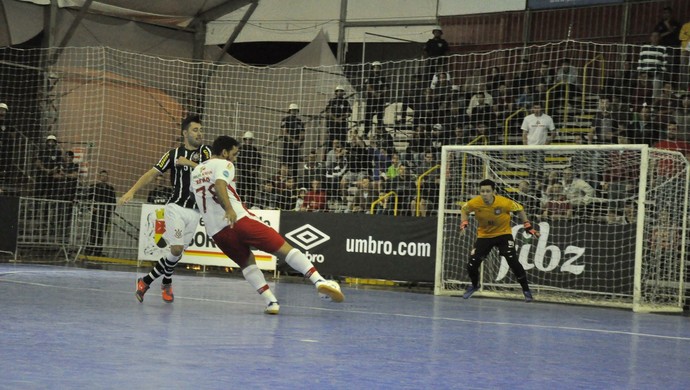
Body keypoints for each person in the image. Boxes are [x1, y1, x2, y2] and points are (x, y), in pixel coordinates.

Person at [190, 135, 344, 314]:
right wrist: (229, 209)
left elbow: (197, 197)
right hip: (239, 220)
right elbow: (219, 184)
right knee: (284, 249)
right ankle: (319, 281)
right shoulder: (225, 164)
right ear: (224, 152)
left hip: (216, 232)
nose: (235, 157)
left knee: (247, 263)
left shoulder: (196, 171)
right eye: (234, 153)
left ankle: (271, 302)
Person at [119, 114, 211, 303]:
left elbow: (210, 174)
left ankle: (152, 281)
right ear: (185, 133)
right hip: (175, 207)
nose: (199, 133)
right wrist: (132, 191)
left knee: (174, 255)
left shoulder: (206, 153)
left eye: (201, 130)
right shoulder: (172, 155)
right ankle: (157, 282)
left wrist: (190, 163)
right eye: (195, 130)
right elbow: (152, 173)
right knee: (176, 249)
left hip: (195, 212)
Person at [459, 179, 538, 302]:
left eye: (487, 191)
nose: (485, 194)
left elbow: (520, 209)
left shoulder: (504, 202)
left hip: (503, 235)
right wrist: (464, 223)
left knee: (513, 261)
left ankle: (526, 290)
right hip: (484, 236)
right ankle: (474, 285)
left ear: (493, 192)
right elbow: (464, 209)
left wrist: (527, 225)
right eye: (482, 191)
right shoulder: (475, 203)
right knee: (472, 264)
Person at [521, 102, 556, 186]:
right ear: (532, 108)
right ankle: (532, 184)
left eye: (538, 108)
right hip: (530, 147)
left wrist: (547, 143)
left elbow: (553, 133)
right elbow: (524, 133)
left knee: (540, 167)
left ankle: (539, 185)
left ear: (542, 108)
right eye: (535, 108)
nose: (536, 110)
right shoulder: (527, 118)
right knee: (531, 168)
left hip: (541, 147)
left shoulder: (548, 118)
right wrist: (525, 145)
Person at [86, 170, 116, 256]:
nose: (104, 177)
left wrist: (110, 212)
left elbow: (113, 202)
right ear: (99, 177)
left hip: (105, 214)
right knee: (93, 231)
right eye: (102, 175)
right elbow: (88, 199)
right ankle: (89, 249)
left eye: (105, 176)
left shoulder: (110, 189)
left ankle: (98, 251)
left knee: (101, 232)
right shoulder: (93, 187)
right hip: (96, 213)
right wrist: (91, 207)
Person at [235, 131, 262, 208]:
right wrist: (247, 170)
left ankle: (251, 206)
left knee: (252, 191)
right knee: (241, 190)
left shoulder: (255, 151)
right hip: (243, 175)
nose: (248, 141)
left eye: (250, 139)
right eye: (247, 139)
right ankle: (240, 206)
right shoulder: (240, 151)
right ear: (244, 140)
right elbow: (239, 163)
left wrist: (255, 169)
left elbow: (258, 161)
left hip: (252, 176)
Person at [34, 134, 64, 199]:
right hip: (41, 176)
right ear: (47, 142)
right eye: (49, 141)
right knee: (38, 194)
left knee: (50, 195)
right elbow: (37, 162)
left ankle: (47, 209)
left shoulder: (58, 153)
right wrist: (45, 170)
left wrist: (53, 170)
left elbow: (59, 164)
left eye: (53, 141)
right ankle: (36, 208)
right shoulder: (42, 151)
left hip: (52, 178)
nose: (51, 143)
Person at [363, 61, 387, 137]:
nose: (376, 69)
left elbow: (386, 87)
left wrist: (381, 93)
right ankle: (366, 132)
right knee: (368, 116)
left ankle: (380, 132)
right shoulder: (370, 76)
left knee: (380, 116)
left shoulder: (382, 77)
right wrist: (375, 94)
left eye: (378, 67)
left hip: (380, 100)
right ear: (372, 68)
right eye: (375, 67)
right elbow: (368, 87)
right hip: (371, 100)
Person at [280, 103, 305, 178]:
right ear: (289, 111)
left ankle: (294, 180)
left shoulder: (299, 121)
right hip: (288, 145)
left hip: (296, 146)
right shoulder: (285, 120)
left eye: (295, 110)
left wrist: (299, 141)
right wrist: (293, 140)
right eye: (292, 110)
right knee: (285, 163)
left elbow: (302, 133)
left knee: (294, 164)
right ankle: (283, 179)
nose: (294, 112)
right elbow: (284, 132)